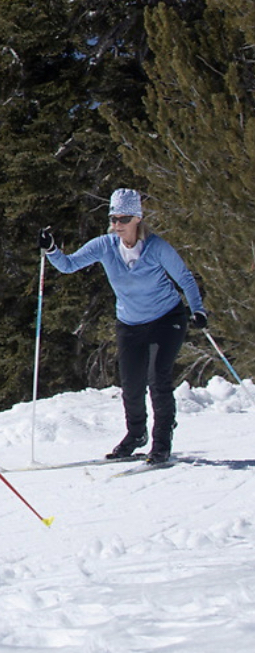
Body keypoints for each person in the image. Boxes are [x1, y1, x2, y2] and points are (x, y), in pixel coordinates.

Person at [40, 188, 205, 465]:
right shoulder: (104, 246)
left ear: (137, 219)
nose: (117, 225)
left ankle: (161, 442)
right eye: (113, 218)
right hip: (130, 323)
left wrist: (197, 309)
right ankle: (136, 435)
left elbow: (185, 279)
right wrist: (51, 249)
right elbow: (68, 265)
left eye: (123, 219)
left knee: (158, 380)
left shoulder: (156, 248)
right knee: (131, 385)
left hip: (166, 319)